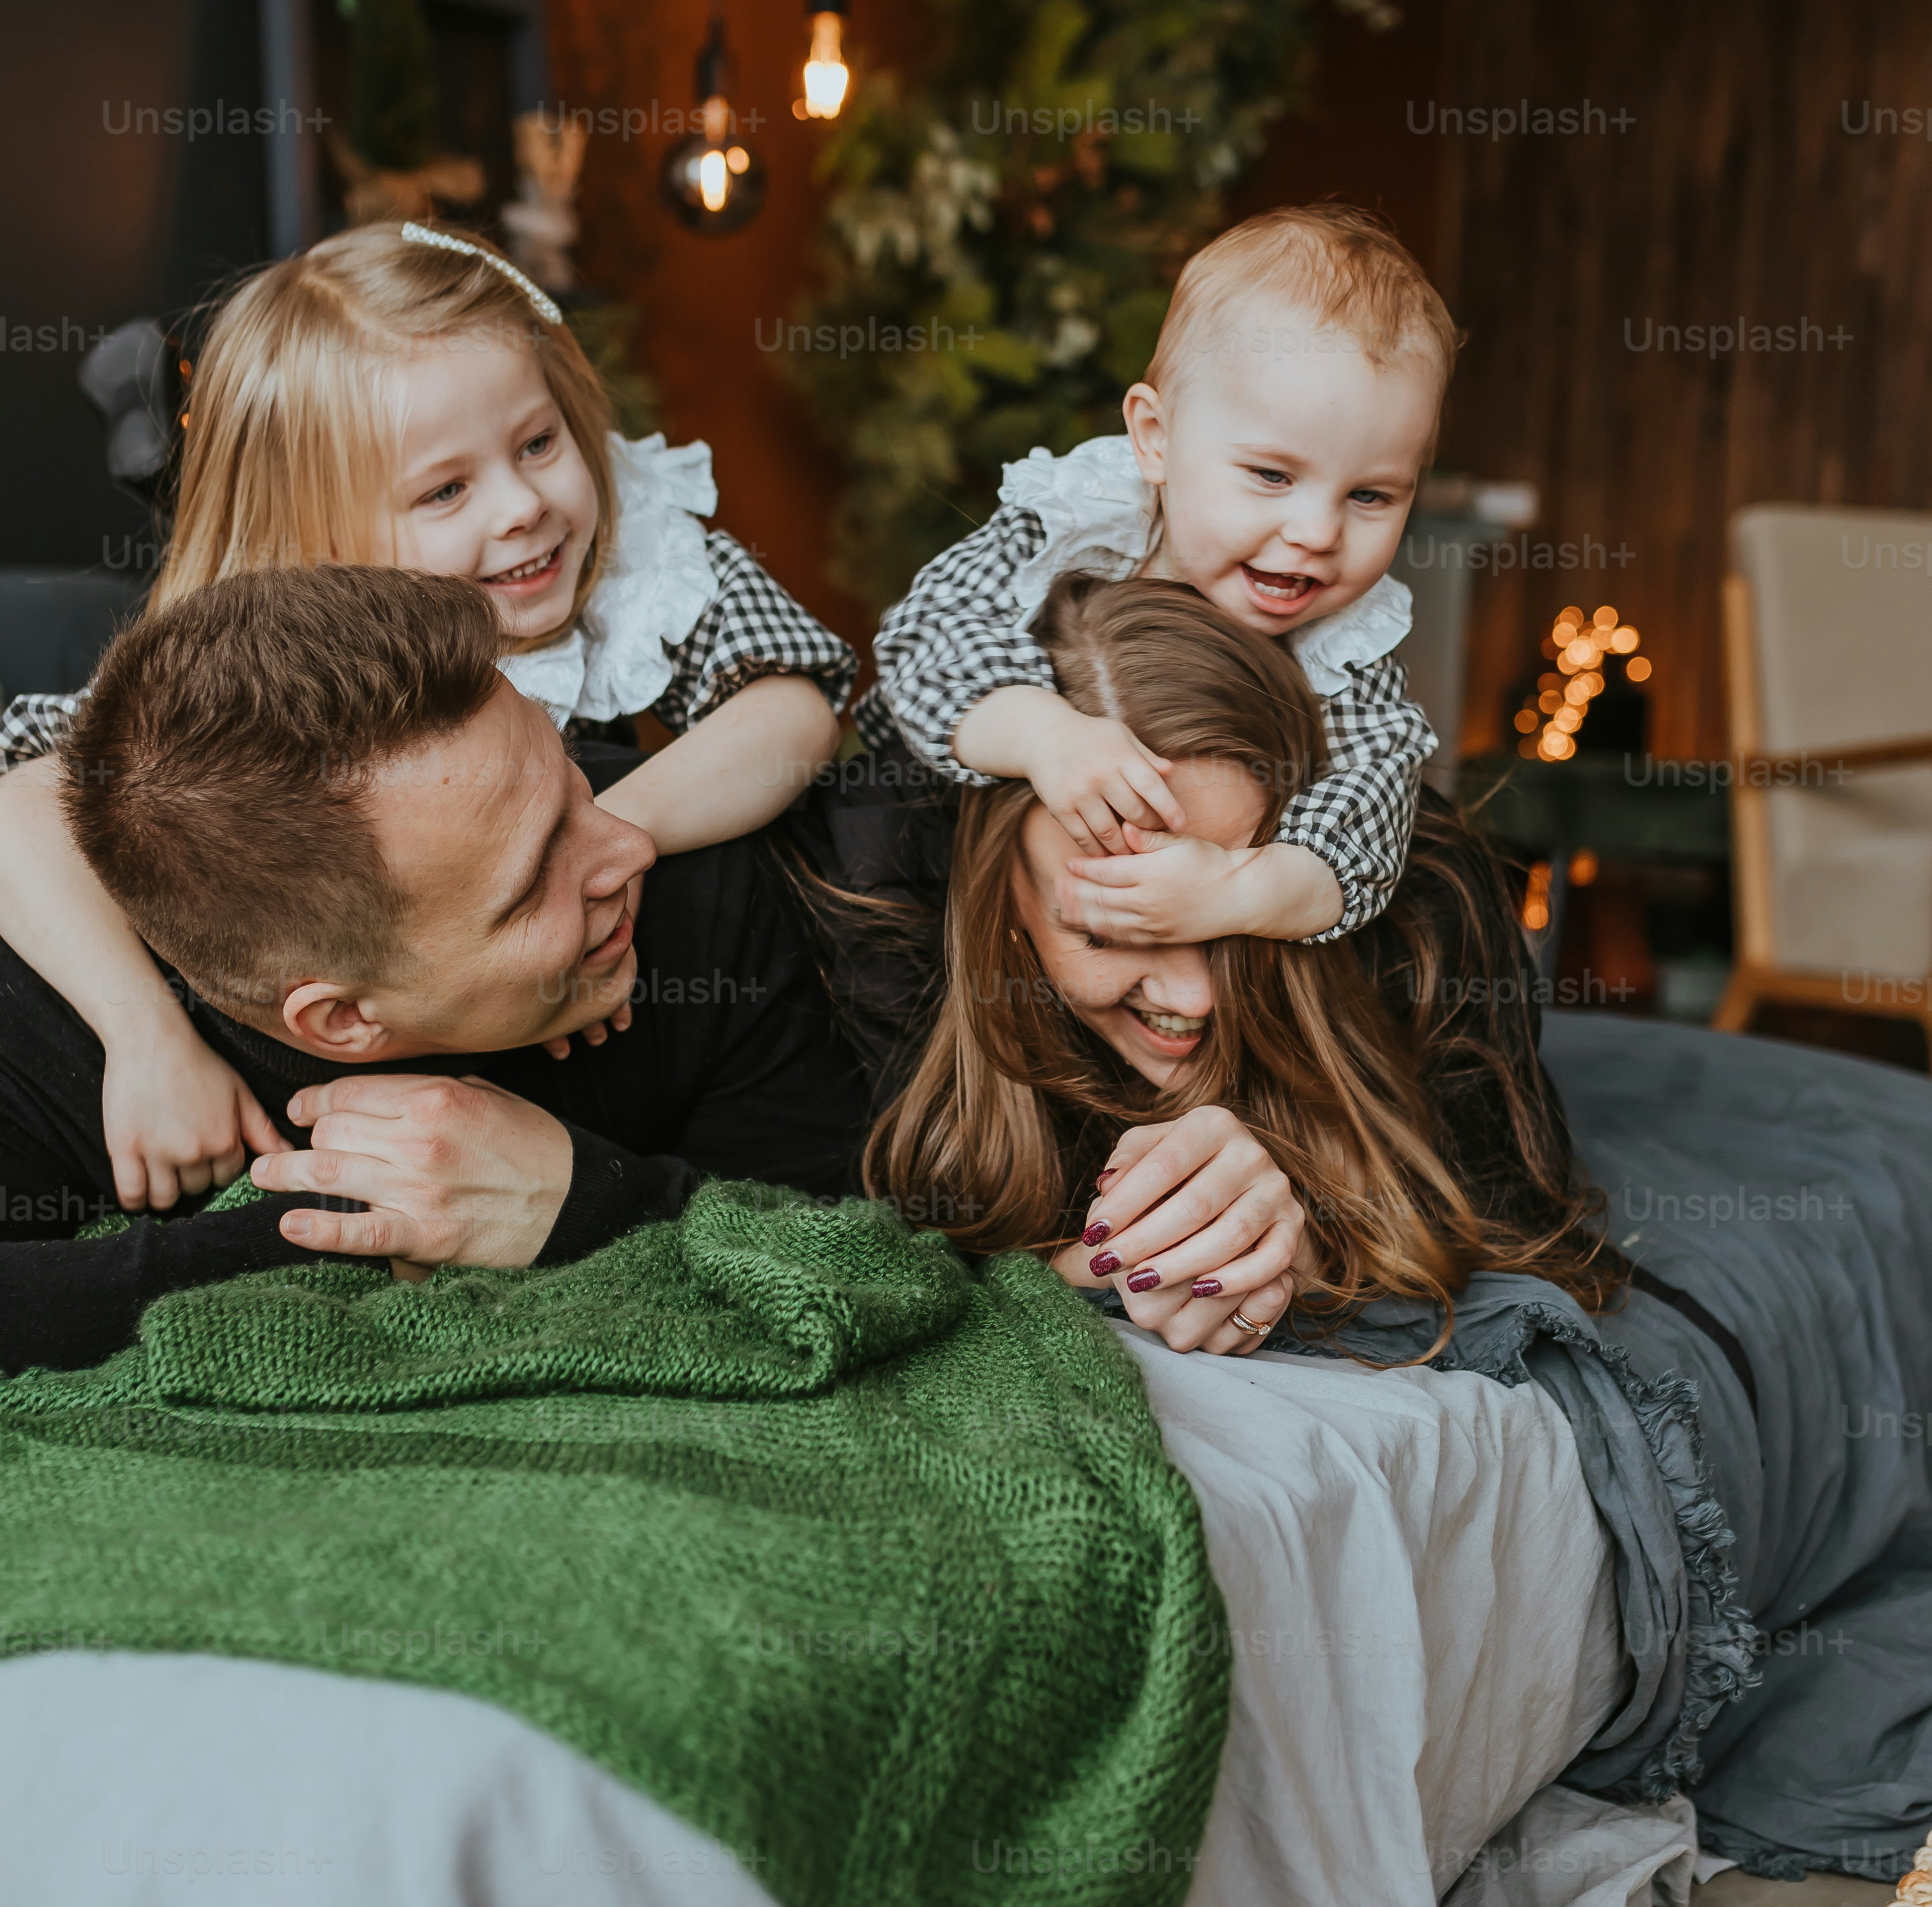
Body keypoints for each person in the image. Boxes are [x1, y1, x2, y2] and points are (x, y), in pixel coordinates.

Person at [0, 561, 1330, 1381]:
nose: (618, 848)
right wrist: (336, 1235)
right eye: (535, 879)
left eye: (573, 780)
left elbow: (857, 1251)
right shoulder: (51, 1026)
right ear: (341, 1020)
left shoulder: (688, 896)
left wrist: (580, 1202)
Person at [0, 219, 853, 1218]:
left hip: (603, 1036)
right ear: (320, 537)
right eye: (446, 489)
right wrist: (143, 1035)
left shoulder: (641, 554)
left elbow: (793, 711)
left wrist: (586, 870)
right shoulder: (263, 663)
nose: (524, 504)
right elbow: (28, 799)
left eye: (538, 443)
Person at [809, 573, 1617, 1359]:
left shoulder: (1420, 887)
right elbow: (853, 1233)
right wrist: (1121, 1255)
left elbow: (1516, 1215)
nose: (1195, 998)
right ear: (996, 874)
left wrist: (1305, 1236)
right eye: (1114, 927)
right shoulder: (880, 891)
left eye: (1238, 913)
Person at [859, 201, 1449, 961]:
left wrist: (1239, 890)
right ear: (1156, 440)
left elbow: (1375, 801)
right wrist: (1046, 734)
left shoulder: (1347, 642)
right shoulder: (1083, 521)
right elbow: (927, 636)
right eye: (1272, 475)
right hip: (928, 834)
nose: (1318, 534)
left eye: (1370, 496)